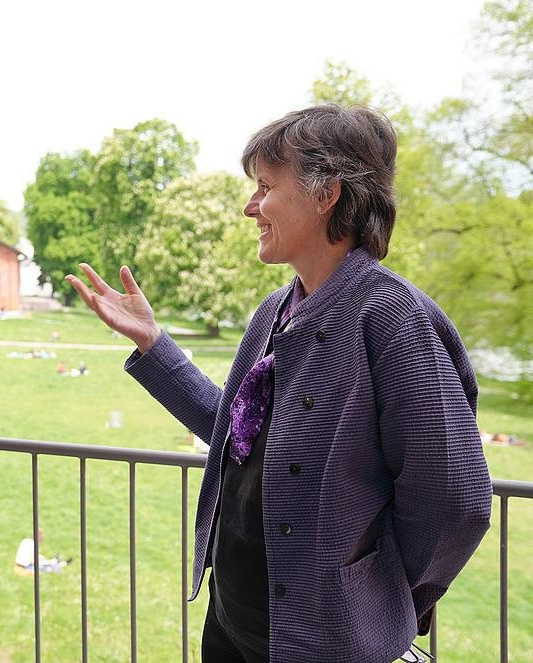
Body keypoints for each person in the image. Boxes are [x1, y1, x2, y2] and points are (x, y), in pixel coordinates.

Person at [67, 104, 491, 662]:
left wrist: (387, 600)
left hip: (322, 644)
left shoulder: (393, 319)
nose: (250, 207)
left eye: (265, 186)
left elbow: (455, 500)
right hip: (232, 621)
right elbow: (234, 434)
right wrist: (153, 343)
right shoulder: (274, 311)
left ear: (326, 193)